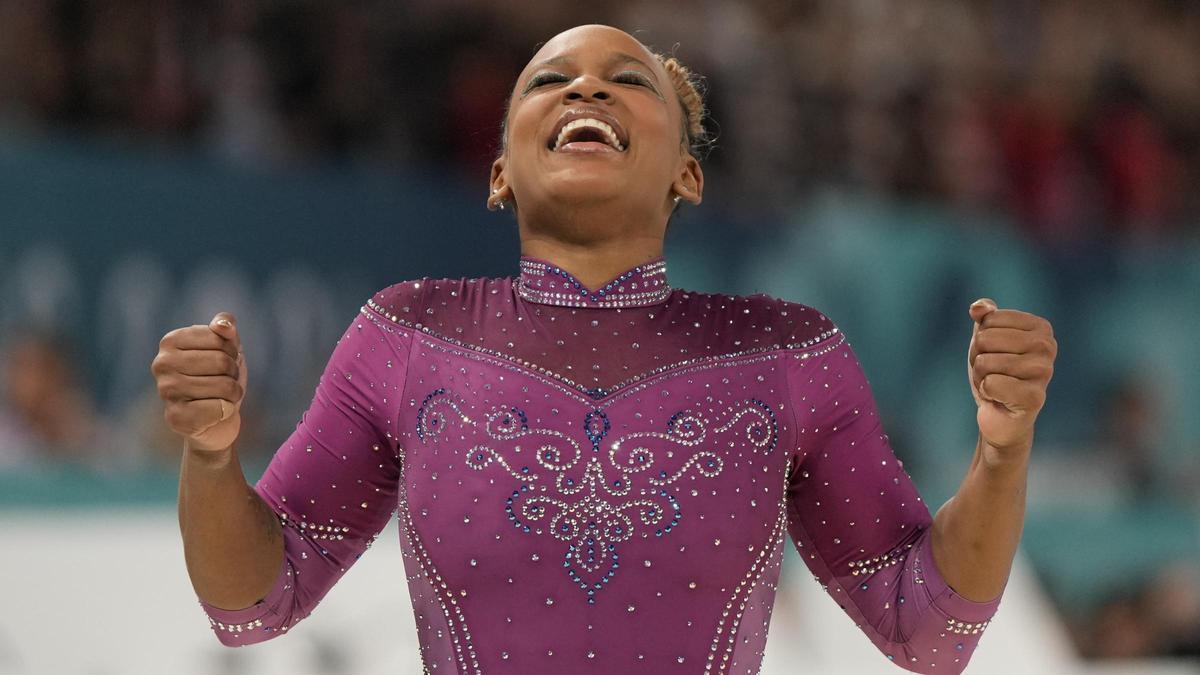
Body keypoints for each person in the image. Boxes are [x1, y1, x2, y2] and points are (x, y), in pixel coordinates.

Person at [150, 24, 1057, 674]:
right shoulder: (405, 336)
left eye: (626, 79)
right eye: (549, 81)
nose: (585, 88)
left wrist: (1003, 450)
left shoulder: (786, 353)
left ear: (687, 173)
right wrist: (212, 454)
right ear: (500, 168)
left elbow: (924, 631)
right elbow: (250, 606)